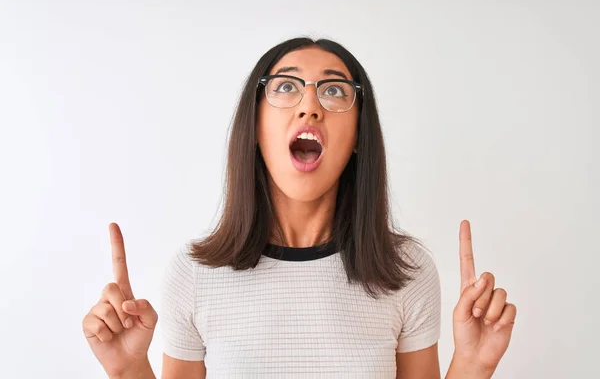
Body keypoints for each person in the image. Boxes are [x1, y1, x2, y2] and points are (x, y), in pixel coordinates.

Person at [82, 37, 517, 378]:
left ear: (359, 137)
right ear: (254, 125)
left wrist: (473, 368)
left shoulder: (408, 272)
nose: (310, 106)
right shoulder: (193, 275)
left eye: (333, 90)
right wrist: (128, 370)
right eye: (286, 86)